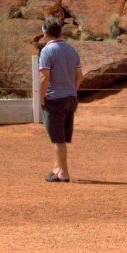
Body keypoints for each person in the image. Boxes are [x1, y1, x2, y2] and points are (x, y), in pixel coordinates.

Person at [37, 17, 82, 182]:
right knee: (59, 138)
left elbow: (44, 78)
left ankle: (63, 173)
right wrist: (72, 91)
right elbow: (79, 76)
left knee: (58, 139)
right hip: (70, 99)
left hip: (54, 99)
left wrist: (40, 97)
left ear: (44, 32)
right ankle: (56, 168)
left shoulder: (47, 51)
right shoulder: (72, 50)